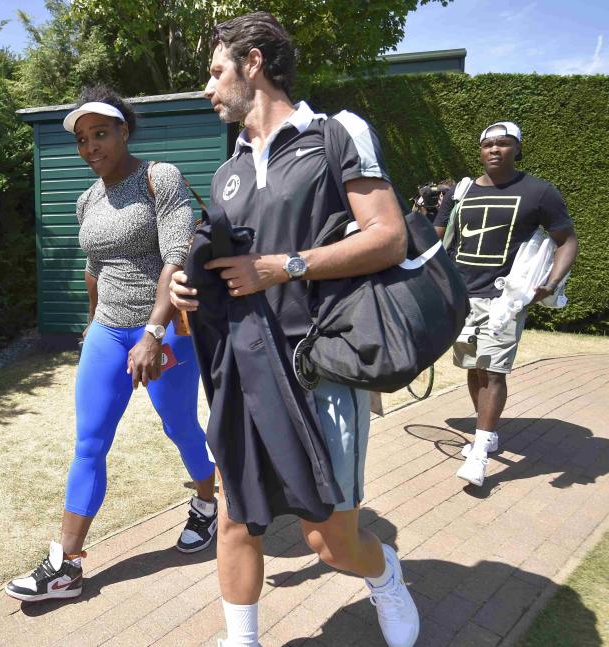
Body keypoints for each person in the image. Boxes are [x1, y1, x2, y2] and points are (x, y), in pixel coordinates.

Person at [170, 12, 420, 647]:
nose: (208, 87)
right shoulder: (227, 170)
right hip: (246, 371)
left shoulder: (335, 134)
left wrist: (284, 268)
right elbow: (231, 274)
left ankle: (385, 573)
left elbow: (388, 237)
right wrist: (186, 291)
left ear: (253, 63)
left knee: (329, 542)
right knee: (236, 519)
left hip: (322, 366)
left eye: (216, 71)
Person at [5, 86, 218, 603]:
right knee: (89, 443)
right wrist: (92, 320)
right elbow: (94, 266)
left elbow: (175, 258)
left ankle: (208, 505)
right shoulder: (87, 199)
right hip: (108, 331)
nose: (91, 146)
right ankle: (67, 565)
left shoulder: (158, 179)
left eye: (100, 133)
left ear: (124, 131)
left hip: (163, 330)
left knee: (179, 425)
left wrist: (149, 333)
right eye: (82, 139)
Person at [434, 121, 578, 487]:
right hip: (462, 296)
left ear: (517, 149)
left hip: (506, 300)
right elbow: (437, 239)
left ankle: (480, 452)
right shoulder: (463, 191)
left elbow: (567, 240)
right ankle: (489, 433)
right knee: (473, 368)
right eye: (488, 145)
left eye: (503, 144)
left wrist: (550, 283)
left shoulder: (539, 192)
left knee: (494, 371)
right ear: (480, 150)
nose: (494, 150)